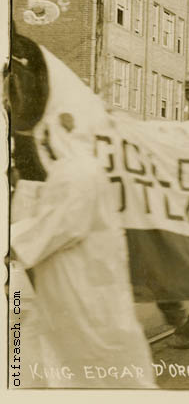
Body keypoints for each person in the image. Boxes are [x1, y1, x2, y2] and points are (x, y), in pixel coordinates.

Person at [9, 126, 155, 388]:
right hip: (77, 285)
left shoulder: (75, 172)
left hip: (79, 286)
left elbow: (61, 224)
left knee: (93, 365)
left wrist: (12, 239)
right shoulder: (79, 167)